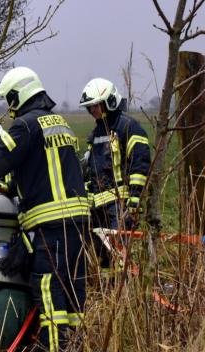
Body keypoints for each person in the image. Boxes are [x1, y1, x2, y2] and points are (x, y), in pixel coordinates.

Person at [0, 67, 91, 352]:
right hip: (78, 223)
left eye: (9, 99)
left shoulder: (24, 126)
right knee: (74, 288)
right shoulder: (62, 123)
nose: (9, 107)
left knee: (48, 288)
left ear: (18, 95)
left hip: (49, 225)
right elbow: (40, 171)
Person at [79, 78, 151, 272]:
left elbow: (140, 163)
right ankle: (110, 294)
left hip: (119, 206)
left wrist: (134, 198)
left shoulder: (128, 127)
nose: (93, 110)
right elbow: (92, 169)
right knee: (101, 255)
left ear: (109, 101)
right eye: (90, 107)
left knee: (119, 254)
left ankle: (124, 291)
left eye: (96, 105)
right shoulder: (96, 133)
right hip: (97, 207)